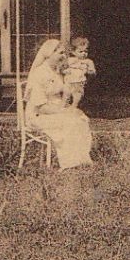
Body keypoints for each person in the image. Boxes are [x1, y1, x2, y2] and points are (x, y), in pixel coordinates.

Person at [23, 38, 94, 169]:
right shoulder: (39, 74)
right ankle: (70, 164)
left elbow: (62, 93)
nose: (64, 56)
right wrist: (64, 111)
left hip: (55, 108)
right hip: (39, 114)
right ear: (50, 54)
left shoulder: (56, 72)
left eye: (64, 53)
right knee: (70, 121)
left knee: (81, 118)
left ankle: (82, 160)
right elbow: (41, 107)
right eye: (60, 53)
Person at [61, 37, 96, 108]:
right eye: (81, 51)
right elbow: (62, 69)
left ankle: (74, 107)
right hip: (69, 81)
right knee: (66, 95)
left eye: (86, 51)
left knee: (77, 96)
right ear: (73, 52)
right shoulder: (70, 60)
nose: (84, 54)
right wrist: (66, 71)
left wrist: (87, 71)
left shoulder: (88, 62)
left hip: (79, 82)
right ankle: (63, 108)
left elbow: (93, 72)